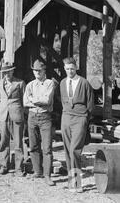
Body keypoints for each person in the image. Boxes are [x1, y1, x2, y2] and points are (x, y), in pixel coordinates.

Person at [60, 57, 94, 193]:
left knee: (75, 149)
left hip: (80, 118)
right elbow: (62, 100)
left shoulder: (84, 83)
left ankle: (78, 183)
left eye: (72, 68)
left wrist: (85, 119)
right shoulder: (63, 83)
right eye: (67, 69)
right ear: (64, 69)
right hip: (66, 117)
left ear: (76, 68)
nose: (70, 71)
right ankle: (71, 182)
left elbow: (90, 105)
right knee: (68, 150)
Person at [23, 60, 56, 186]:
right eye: (35, 70)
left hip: (45, 117)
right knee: (33, 146)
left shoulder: (50, 83)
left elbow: (47, 100)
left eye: (39, 70)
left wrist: (33, 99)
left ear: (44, 71)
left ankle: (47, 175)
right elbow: (25, 102)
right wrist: (37, 101)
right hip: (32, 116)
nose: (37, 72)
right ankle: (37, 171)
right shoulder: (30, 85)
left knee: (47, 148)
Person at [0, 62, 26, 176]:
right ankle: (4, 165)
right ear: (2, 73)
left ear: (13, 71)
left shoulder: (20, 83)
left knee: (18, 142)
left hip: (16, 115)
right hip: (3, 116)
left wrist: (20, 112)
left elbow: (24, 101)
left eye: (9, 71)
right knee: (3, 141)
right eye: (5, 72)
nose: (7, 74)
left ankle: (19, 168)